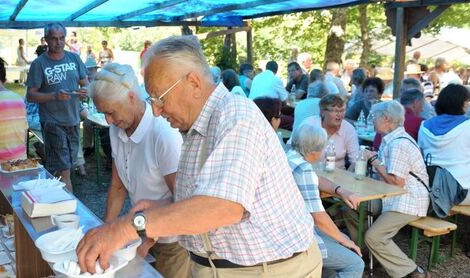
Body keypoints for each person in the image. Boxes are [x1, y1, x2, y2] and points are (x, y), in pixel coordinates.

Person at [76, 35, 321, 276]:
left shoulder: (235, 116)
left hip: (268, 270)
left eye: (160, 99)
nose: (156, 111)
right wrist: (158, 208)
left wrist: (130, 226)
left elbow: (222, 207)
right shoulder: (196, 128)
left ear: (193, 83)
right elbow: (204, 198)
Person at [89, 63, 189, 278]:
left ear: (132, 97)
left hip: (171, 242)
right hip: (141, 231)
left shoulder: (163, 134)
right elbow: (117, 186)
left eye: (110, 112)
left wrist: (147, 242)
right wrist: (107, 231)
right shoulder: (118, 127)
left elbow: (182, 199)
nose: (108, 121)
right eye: (103, 113)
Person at [364, 101, 431, 278]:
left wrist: (373, 161)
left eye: (374, 117)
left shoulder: (398, 144)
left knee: (374, 236)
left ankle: (412, 271)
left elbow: (396, 182)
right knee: (354, 206)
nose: (372, 120)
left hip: (408, 200)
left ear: (386, 118)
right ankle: (368, 253)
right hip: (394, 197)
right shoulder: (392, 140)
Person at [287, 124, 364, 278]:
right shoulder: (304, 170)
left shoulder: (290, 157)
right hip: (298, 235)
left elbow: (316, 178)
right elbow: (319, 218)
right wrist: (344, 241)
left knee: (342, 242)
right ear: (316, 151)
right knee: (355, 263)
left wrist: (340, 190)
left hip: (289, 226)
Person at [26, 23, 88, 192]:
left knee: (67, 165)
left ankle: (53, 197)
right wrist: (54, 95)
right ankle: (69, 207)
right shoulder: (39, 64)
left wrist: (85, 91)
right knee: (65, 170)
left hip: (73, 120)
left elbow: (85, 82)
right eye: (54, 39)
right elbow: (30, 95)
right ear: (46, 40)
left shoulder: (74, 58)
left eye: (61, 38)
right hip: (53, 122)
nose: (58, 42)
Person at [418, 84, 470, 204]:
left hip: (431, 187)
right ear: (462, 103)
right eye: (467, 101)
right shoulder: (467, 125)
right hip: (461, 191)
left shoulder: (424, 125)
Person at [301, 94, 360, 169]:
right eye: (335, 111)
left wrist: (348, 177)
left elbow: (356, 161)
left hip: (338, 175)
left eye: (342, 111)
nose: (339, 115)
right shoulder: (309, 124)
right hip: (310, 171)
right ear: (322, 112)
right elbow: (293, 148)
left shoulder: (349, 129)